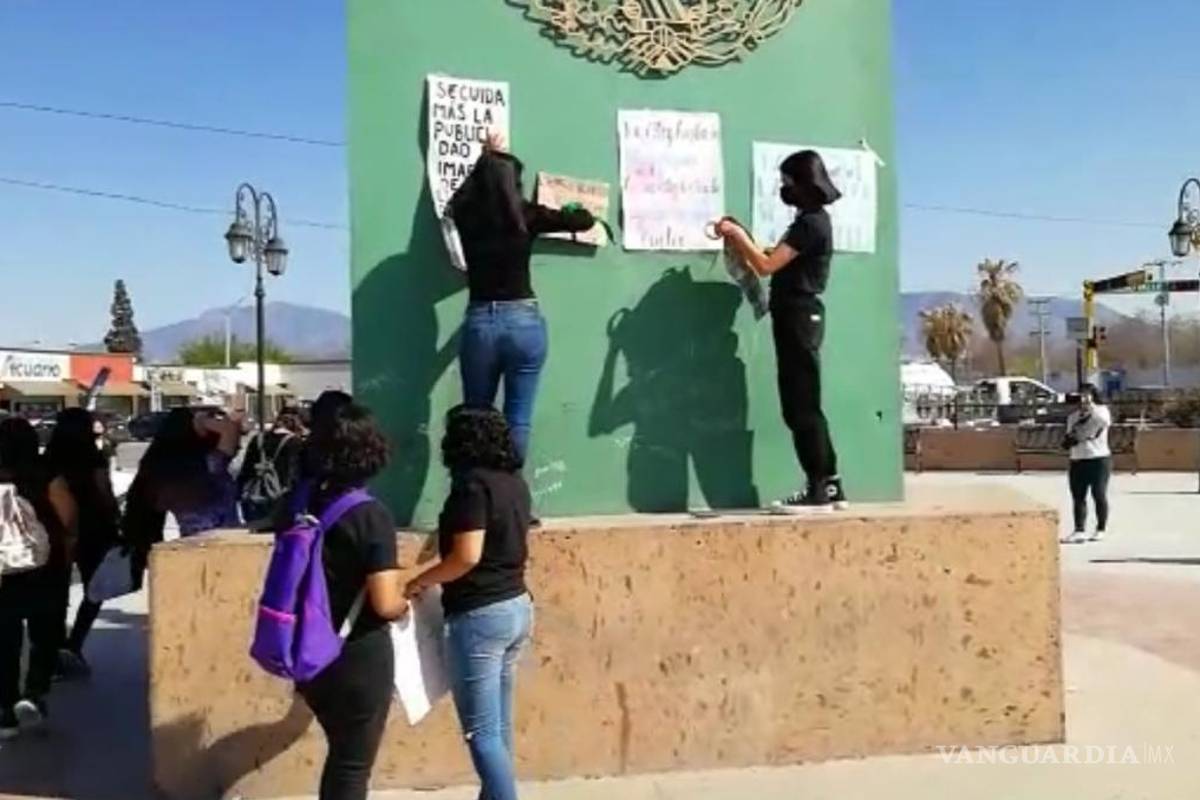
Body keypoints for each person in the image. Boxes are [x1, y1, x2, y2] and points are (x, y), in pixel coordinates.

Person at [405, 405, 534, 800]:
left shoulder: (472, 487)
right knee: (498, 729)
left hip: (480, 616)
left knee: (481, 734)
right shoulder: (514, 483)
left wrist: (418, 581)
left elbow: (466, 556)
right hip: (517, 607)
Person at [446, 133, 596, 464]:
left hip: (481, 320)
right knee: (518, 418)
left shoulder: (466, 214)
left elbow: (454, 200)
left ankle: (475, 498)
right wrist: (571, 206)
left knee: (476, 418)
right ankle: (513, 501)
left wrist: (486, 158)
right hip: (524, 323)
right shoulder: (526, 215)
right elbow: (584, 221)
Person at [714, 149, 848, 512]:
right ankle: (828, 484)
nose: (784, 188)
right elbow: (777, 256)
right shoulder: (810, 222)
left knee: (801, 406)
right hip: (799, 317)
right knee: (803, 404)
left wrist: (736, 234)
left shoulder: (811, 223)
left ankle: (819, 488)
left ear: (805, 184)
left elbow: (765, 264)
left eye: (788, 182)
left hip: (798, 317)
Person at [293, 402, 408, 800]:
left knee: (342, 756)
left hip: (309, 649)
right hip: (357, 654)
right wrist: (407, 602)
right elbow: (385, 602)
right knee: (352, 765)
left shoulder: (303, 504)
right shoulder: (370, 516)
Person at [42, 408, 121, 677]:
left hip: (57, 529)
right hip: (94, 528)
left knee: (56, 591)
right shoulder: (93, 457)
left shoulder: (48, 459)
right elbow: (105, 493)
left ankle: (54, 650)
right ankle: (74, 643)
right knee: (93, 589)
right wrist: (116, 519)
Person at [0, 418, 66, 735]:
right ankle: (34, 692)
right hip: (44, 564)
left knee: (5, 637)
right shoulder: (45, 474)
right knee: (46, 630)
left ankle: (4, 709)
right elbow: (68, 515)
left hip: (3, 568)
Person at [237, 406, 306, 525]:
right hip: (282, 499)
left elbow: (245, 470)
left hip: (255, 497)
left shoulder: (257, 439)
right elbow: (295, 474)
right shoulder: (295, 443)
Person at [1062, 384, 1111, 544]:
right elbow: (1071, 437)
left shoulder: (1101, 412)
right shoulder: (1073, 417)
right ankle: (1079, 530)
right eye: (1080, 396)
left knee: (1098, 493)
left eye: (1085, 395)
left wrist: (1091, 407)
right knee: (1078, 496)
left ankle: (1100, 528)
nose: (1082, 399)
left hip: (1098, 458)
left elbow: (1102, 422)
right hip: (1078, 459)